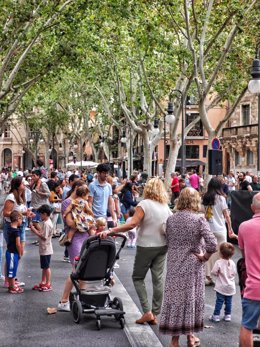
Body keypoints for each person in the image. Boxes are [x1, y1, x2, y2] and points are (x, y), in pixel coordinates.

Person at [100, 177, 172, 325]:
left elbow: (132, 224)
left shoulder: (144, 204)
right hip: (162, 245)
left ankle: (147, 312)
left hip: (146, 245)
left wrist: (111, 230)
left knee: (138, 277)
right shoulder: (165, 206)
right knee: (158, 279)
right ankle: (155, 313)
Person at [159, 187, 217, 347]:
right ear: (195, 200)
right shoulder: (199, 219)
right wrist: (204, 257)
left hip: (174, 264)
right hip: (192, 266)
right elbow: (213, 244)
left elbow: (168, 241)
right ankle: (190, 338)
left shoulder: (171, 219)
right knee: (190, 300)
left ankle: (177, 340)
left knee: (175, 300)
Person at [58, 181, 96, 312]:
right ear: (76, 189)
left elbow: (90, 215)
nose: (88, 195)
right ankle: (63, 301)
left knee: (84, 269)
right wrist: (87, 223)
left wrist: (88, 222)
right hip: (74, 239)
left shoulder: (83, 202)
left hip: (85, 236)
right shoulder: (67, 202)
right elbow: (69, 222)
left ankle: (83, 298)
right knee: (77, 269)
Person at [202, 177, 237, 285]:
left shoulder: (204, 198)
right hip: (220, 229)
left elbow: (203, 215)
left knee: (208, 253)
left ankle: (207, 277)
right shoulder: (221, 198)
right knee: (222, 254)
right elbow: (226, 216)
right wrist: (230, 229)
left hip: (208, 229)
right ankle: (220, 276)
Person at [238, 193, 260, 347]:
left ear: (252, 208)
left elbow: (244, 254)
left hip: (254, 286)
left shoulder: (244, 227)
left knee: (247, 326)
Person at [209, 242, 237, 322]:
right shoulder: (232, 263)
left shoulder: (219, 262)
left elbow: (214, 272)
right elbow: (234, 273)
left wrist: (218, 273)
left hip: (221, 286)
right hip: (230, 286)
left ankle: (216, 315)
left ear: (220, 253)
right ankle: (228, 315)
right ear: (232, 254)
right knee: (229, 302)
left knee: (219, 301)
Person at [30, 204, 54, 292]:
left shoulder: (47, 224)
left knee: (46, 267)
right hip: (45, 248)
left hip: (46, 248)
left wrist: (34, 230)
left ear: (45, 214)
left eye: (41, 214)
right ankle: (43, 281)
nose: (40, 215)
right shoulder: (46, 222)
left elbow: (44, 236)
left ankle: (48, 283)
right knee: (44, 266)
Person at [5, 211, 24, 294]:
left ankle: (11, 285)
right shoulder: (16, 231)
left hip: (9, 251)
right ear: (17, 219)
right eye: (21, 219)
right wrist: (20, 253)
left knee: (11, 270)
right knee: (12, 271)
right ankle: (12, 287)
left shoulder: (9, 227)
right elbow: (18, 244)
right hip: (13, 253)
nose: (22, 222)